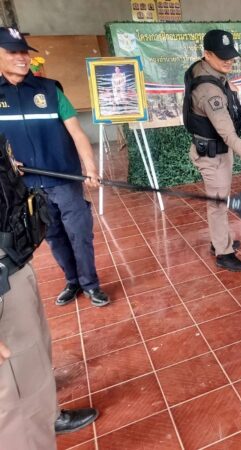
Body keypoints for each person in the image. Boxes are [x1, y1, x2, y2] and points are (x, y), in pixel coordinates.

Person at [0, 133, 98, 448]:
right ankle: (35, 425)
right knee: (14, 394)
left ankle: (48, 413)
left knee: (37, 348)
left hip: (14, 260)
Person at [0, 27, 110, 307]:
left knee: (79, 234)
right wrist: (8, 163)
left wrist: (90, 169)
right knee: (53, 236)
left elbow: (77, 133)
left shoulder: (50, 90)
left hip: (64, 179)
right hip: (28, 187)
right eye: (13, 52)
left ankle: (90, 284)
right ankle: (72, 281)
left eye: (24, 51)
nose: (22, 57)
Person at [183, 29, 241, 272]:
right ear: (207, 54)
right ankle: (223, 252)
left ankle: (219, 240)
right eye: (222, 56)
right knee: (217, 205)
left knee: (220, 201)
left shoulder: (202, 69)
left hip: (215, 150)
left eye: (231, 55)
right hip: (213, 155)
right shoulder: (210, 92)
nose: (229, 61)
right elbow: (229, 136)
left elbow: (214, 81)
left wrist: (227, 87)